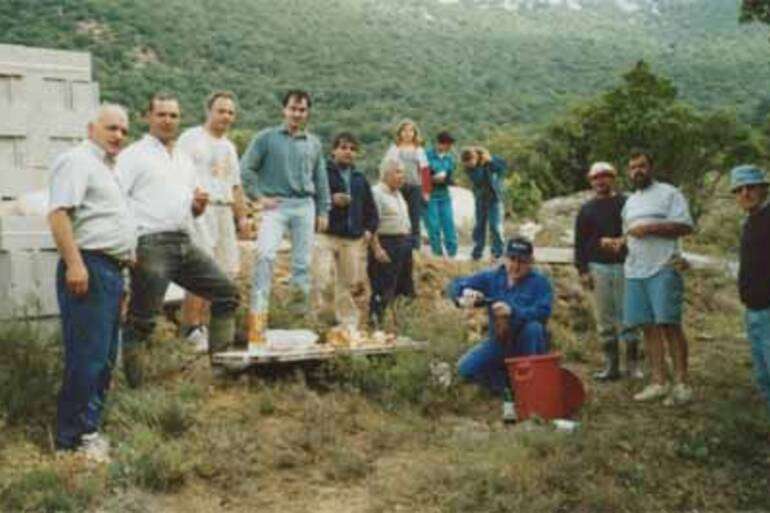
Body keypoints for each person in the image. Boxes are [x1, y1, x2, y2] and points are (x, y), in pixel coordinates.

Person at [117, 92, 240, 387]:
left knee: (227, 294)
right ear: (147, 117)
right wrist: (125, 247)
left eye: (173, 115)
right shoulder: (133, 155)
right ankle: (138, 386)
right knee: (142, 320)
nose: (168, 121)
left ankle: (222, 371)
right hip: (150, 243)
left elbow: (189, 208)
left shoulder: (183, 159)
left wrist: (196, 207)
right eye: (161, 114)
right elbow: (117, 200)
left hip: (183, 241)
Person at [48, 104, 135, 462]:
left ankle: (89, 428)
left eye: (123, 131)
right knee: (87, 355)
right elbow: (58, 214)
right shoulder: (77, 161)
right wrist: (75, 264)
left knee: (104, 357)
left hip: (111, 270)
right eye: (111, 128)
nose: (118, 136)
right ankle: (72, 439)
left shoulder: (107, 168)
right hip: (90, 267)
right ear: (91, 129)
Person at [240, 90, 330, 342]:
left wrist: (323, 209)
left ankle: (296, 319)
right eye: (292, 108)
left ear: (307, 113)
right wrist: (258, 197)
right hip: (275, 205)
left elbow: (320, 178)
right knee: (265, 254)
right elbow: (246, 169)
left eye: (302, 110)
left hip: (304, 205)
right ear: (284, 110)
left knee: (302, 264)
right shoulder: (266, 138)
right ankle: (258, 317)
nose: (297, 114)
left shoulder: (313, 143)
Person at [608, 149, 694, 404]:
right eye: (633, 167)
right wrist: (618, 243)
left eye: (642, 166)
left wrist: (651, 227)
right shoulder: (630, 202)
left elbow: (686, 226)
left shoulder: (669, 193)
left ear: (651, 167)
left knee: (669, 324)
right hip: (635, 270)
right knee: (648, 327)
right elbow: (630, 235)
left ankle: (682, 384)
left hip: (664, 267)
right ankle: (658, 381)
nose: (638, 171)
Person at [177, 91, 250, 353]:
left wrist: (242, 218)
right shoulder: (191, 138)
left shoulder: (229, 147)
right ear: (209, 111)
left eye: (230, 112)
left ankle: (207, 327)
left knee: (224, 272)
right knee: (201, 269)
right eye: (221, 111)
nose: (226, 117)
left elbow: (235, 185)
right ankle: (190, 328)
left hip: (224, 209)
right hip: (200, 209)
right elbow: (177, 174)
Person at [448, 237, 552, 395]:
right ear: (504, 258)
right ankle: (505, 383)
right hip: (499, 342)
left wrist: (513, 312)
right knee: (464, 370)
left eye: (522, 261)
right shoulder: (493, 277)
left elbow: (543, 312)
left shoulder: (540, 283)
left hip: (527, 343)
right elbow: (455, 284)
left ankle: (531, 384)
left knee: (534, 328)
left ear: (531, 262)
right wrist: (465, 292)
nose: (515, 266)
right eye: (512, 259)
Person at [574, 162, 642, 381]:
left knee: (630, 316)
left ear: (613, 178)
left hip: (626, 265)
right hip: (598, 267)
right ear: (590, 181)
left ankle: (632, 366)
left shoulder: (628, 203)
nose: (600, 181)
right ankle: (611, 366)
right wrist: (583, 270)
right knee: (604, 319)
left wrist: (622, 241)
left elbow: (638, 231)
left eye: (605, 176)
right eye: (596, 177)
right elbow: (580, 243)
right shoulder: (586, 209)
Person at [312, 132, 378, 330]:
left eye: (352, 149)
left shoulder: (359, 179)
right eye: (343, 147)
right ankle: (317, 324)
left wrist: (369, 230)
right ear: (333, 150)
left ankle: (348, 327)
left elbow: (371, 209)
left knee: (347, 285)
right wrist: (330, 200)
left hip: (352, 238)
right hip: (325, 234)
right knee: (320, 277)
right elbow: (308, 199)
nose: (348, 152)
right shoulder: (321, 173)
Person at [730, 165, 770, 414]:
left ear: (764, 189)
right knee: (763, 377)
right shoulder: (749, 222)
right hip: (753, 311)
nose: (745, 193)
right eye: (739, 189)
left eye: (751, 187)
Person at [368, 158, 414, 325]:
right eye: (398, 172)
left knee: (404, 288)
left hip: (403, 243)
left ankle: (399, 324)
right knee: (383, 288)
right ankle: (375, 324)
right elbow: (372, 223)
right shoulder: (376, 193)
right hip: (386, 244)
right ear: (386, 173)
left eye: (403, 172)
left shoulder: (398, 194)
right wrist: (377, 249)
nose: (402, 176)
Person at [384, 119, 431, 250]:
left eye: (411, 130)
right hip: (398, 187)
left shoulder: (419, 150)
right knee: (400, 216)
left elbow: (425, 172)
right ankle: (401, 246)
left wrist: (426, 191)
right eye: (404, 130)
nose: (407, 133)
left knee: (415, 218)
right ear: (400, 133)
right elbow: (387, 167)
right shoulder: (394, 149)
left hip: (415, 187)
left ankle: (415, 249)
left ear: (415, 133)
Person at [462, 146, 508, 262]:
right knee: (479, 227)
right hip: (481, 199)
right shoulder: (470, 169)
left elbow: (502, 167)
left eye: (471, 161)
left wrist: (490, 160)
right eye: (467, 163)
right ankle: (477, 253)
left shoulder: (489, 160)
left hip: (495, 199)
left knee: (495, 226)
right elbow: (478, 178)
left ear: (476, 158)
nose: (469, 164)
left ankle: (497, 253)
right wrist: (483, 165)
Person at [424, 131, 459, 258]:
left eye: (450, 144)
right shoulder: (426, 155)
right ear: (439, 143)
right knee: (434, 227)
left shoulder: (450, 158)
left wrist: (450, 180)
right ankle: (437, 255)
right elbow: (421, 176)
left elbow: (449, 175)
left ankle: (452, 254)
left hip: (444, 195)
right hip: (430, 196)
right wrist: (432, 179)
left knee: (449, 224)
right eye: (446, 144)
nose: (449, 147)